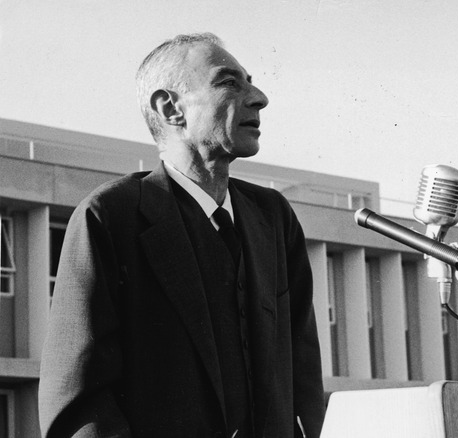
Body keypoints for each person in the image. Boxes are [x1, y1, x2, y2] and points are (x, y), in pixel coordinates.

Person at [38, 33, 325, 438]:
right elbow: (80, 403)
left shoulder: (273, 217)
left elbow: (303, 375)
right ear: (170, 107)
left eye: (250, 81)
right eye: (229, 82)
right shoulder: (109, 216)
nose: (258, 97)